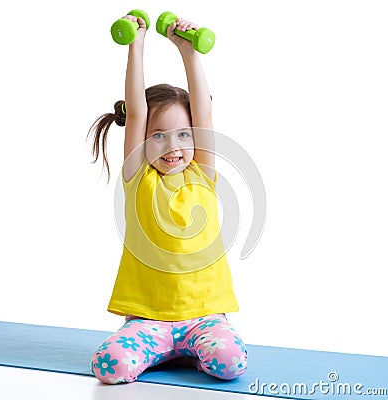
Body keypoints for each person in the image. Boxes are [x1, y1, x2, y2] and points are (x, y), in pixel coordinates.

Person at [87, 14, 247, 384]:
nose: (173, 146)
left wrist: (188, 52)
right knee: (108, 369)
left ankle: (192, 349)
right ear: (143, 139)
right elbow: (138, 108)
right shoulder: (138, 177)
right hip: (148, 319)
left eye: (182, 134)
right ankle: (162, 351)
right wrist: (136, 45)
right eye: (158, 136)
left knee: (230, 364)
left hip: (205, 316)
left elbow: (203, 109)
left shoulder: (203, 174)